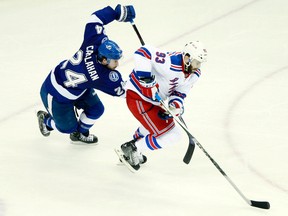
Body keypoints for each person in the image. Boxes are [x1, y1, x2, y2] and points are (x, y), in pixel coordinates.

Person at [37, 4, 136, 144]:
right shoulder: (101, 76)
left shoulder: (94, 42)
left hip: (78, 86)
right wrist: (144, 86)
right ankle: (46, 121)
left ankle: (80, 134)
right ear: (103, 60)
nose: (117, 64)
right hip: (55, 92)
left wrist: (115, 13)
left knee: (97, 109)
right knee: (67, 128)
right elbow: (124, 92)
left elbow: (95, 18)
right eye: (114, 61)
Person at [118, 41, 208, 170]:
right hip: (138, 97)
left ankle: (131, 145)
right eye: (197, 62)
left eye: (200, 63)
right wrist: (146, 78)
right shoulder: (170, 61)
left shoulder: (194, 74)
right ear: (187, 57)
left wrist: (175, 106)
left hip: (153, 101)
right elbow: (143, 52)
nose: (198, 66)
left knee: (153, 125)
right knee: (174, 135)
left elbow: (180, 92)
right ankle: (134, 149)